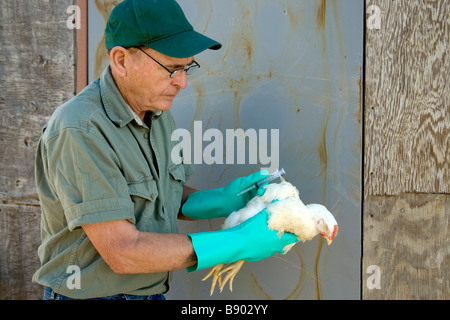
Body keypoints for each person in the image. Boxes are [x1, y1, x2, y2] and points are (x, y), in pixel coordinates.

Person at [33, 0, 297, 300]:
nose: (182, 83)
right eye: (171, 69)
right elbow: (123, 252)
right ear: (121, 60)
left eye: (187, 68)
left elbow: (164, 195)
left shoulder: (155, 112)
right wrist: (237, 241)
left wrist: (225, 199)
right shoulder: (79, 130)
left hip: (152, 293)